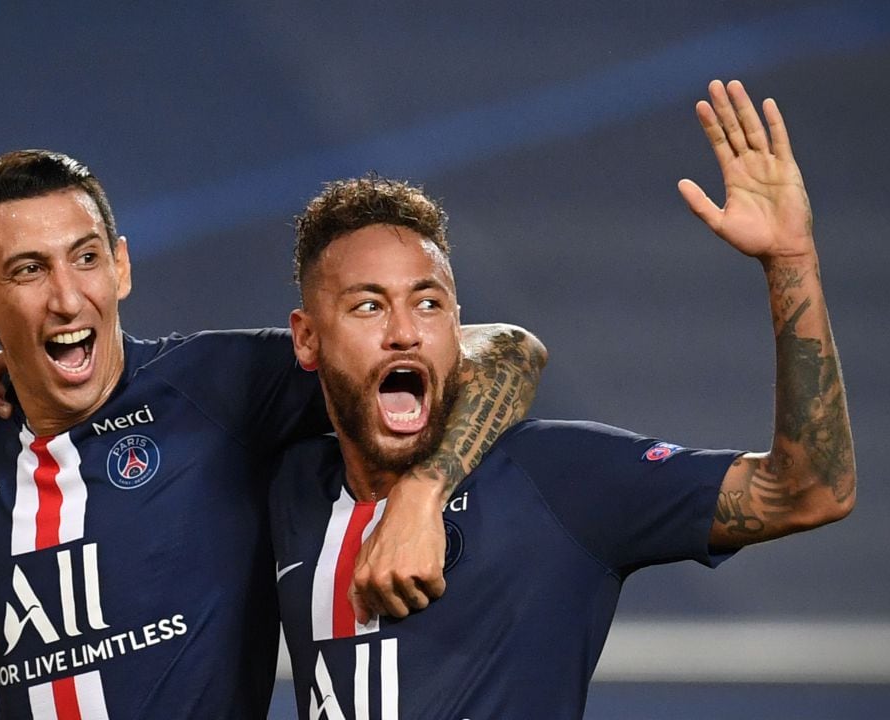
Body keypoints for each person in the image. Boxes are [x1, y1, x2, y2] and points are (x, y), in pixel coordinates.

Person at [0, 149, 543, 718]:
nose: (69, 296)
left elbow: (503, 347)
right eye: (29, 270)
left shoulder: (219, 388)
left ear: (122, 264)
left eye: (87, 257)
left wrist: (421, 496)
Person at [269, 80, 855, 718]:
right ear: (306, 339)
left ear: (458, 325)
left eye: (428, 302)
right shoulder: (284, 492)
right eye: (367, 305)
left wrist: (790, 262)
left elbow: (810, 490)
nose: (405, 330)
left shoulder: (558, 477)